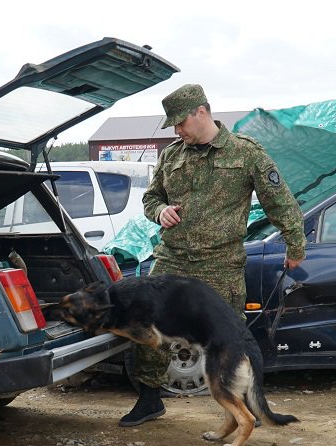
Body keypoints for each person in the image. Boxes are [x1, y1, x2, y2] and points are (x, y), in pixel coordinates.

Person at [122, 83, 307, 427]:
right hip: (173, 259)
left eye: (181, 123)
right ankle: (149, 400)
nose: (177, 130)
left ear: (201, 112)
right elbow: (150, 199)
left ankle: (239, 410)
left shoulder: (245, 152)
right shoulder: (171, 155)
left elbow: (279, 201)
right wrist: (160, 211)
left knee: (226, 341)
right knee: (148, 328)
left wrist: (295, 246)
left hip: (220, 265)